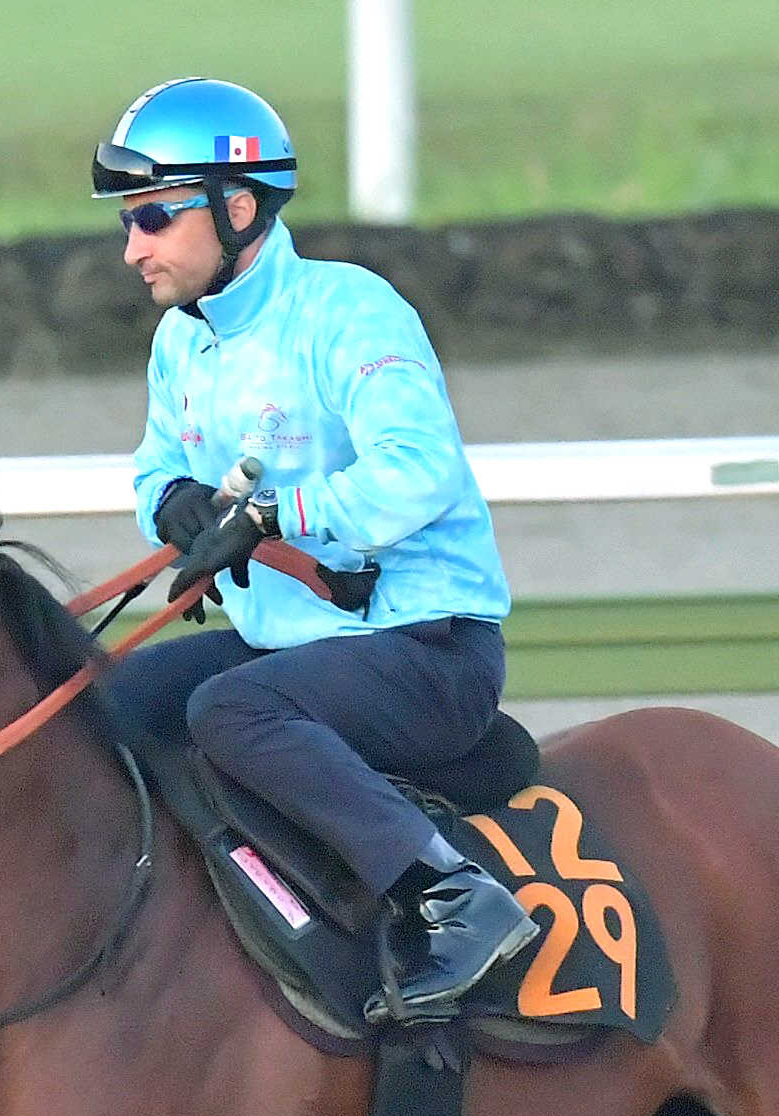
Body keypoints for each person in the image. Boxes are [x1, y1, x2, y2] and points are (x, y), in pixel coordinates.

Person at [92, 76, 539, 1022]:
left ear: (237, 207)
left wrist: (268, 518)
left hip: (429, 646)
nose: (133, 248)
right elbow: (152, 466)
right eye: (129, 223)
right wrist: (172, 504)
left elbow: (419, 473)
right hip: (290, 645)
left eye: (155, 218)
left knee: (230, 712)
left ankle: (452, 896)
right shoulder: (181, 341)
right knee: (98, 708)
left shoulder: (352, 313)